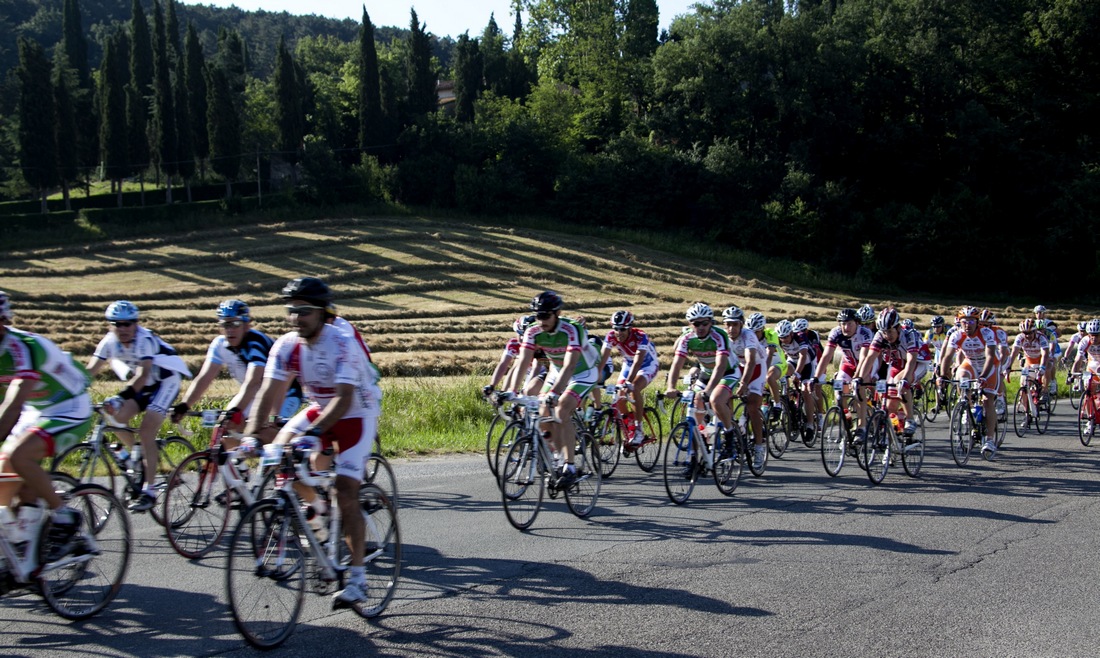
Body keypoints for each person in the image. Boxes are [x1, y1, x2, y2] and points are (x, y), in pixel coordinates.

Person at [242, 277, 381, 608]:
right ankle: (316, 516)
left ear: (321, 313)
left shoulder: (342, 343)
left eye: (303, 311)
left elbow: (344, 399)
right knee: (280, 461)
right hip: (320, 409)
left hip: (355, 414)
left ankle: (358, 579)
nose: (296, 318)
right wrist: (251, 433)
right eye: (291, 311)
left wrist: (313, 435)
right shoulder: (286, 345)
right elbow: (267, 391)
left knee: (345, 492)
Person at [0, 291, 90, 555]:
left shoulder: (22, 347)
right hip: (36, 410)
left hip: (69, 406)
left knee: (20, 456)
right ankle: (21, 544)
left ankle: (63, 515)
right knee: (6, 479)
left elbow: (13, 404)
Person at [86, 300, 191, 512]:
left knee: (146, 431)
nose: (123, 328)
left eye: (128, 323)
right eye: (117, 324)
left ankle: (149, 491)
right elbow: (90, 372)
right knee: (115, 418)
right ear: (110, 325)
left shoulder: (144, 339)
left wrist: (121, 396)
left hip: (165, 383)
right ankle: (137, 457)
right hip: (144, 387)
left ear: (136, 323)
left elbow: (142, 376)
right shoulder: (108, 342)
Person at [171, 300, 302, 444]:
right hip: (256, 392)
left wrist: (236, 410)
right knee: (225, 430)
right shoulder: (219, 344)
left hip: (284, 394)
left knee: (265, 433)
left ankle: (295, 448)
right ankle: (236, 465)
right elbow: (204, 377)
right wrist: (185, 405)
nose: (230, 330)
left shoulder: (255, 343)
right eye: (226, 324)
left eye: (235, 324)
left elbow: (253, 382)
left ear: (246, 325)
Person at [508, 291, 600, 489]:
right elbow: (523, 361)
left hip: (582, 372)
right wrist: (513, 391)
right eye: (537, 315)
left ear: (557, 313)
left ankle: (570, 467)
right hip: (556, 372)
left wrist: (554, 393)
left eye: (545, 315)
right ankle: (558, 457)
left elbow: (570, 365)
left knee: (561, 409)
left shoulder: (571, 329)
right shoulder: (533, 331)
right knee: (543, 413)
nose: (541, 320)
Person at [938, 306, 1000, 460]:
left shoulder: (986, 333)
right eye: (964, 321)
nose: (967, 324)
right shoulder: (956, 335)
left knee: (987, 401)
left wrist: (984, 376)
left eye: (971, 321)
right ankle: (966, 403)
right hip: (970, 363)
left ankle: (990, 439)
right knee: (961, 374)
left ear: (977, 322)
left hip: (988, 366)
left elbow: (991, 356)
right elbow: (947, 356)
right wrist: (942, 376)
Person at [598, 310, 660, 446]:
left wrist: (628, 383)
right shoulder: (610, 336)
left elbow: (638, 362)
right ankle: (630, 424)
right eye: (616, 328)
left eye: (622, 329)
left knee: (633, 388)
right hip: (628, 364)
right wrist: (596, 376)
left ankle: (639, 429)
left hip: (647, 364)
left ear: (630, 328)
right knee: (619, 399)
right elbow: (602, 358)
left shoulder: (640, 336)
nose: (619, 332)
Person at [813, 308, 875, 444]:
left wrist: (857, 378)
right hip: (848, 364)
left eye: (849, 324)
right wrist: (816, 377)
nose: (845, 327)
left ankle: (862, 427)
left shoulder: (865, 333)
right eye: (842, 324)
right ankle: (847, 420)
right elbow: (826, 355)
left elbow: (864, 357)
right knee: (839, 395)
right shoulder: (836, 333)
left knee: (859, 390)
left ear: (857, 323)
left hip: (865, 365)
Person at [859, 308, 921, 435]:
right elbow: (870, 357)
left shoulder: (909, 334)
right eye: (884, 332)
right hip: (897, 363)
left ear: (897, 327)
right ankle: (897, 432)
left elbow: (911, 360)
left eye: (890, 331)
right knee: (890, 405)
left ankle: (910, 419)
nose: (888, 335)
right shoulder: (880, 335)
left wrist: (905, 380)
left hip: (918, 362)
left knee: (901, 382)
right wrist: (859, 378)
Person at [722, 307, 769, 470]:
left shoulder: (748, 335)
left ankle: (758, 447)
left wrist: (743, 384)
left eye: (735, 325)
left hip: (756, 367)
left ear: (741, 325)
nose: (731, 329)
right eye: (728, 325)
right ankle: (734, 427)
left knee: (752, 406)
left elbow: (750, 361)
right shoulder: (723, 337)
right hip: (738, 366)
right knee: (724, 396)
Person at [484, 315, 548, 398]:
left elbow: (537, 368)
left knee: (528, 393)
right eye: (520, 335)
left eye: (525, 336)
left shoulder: (540, 345)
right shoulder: (514, 343)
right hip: (527, 369)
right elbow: (503, 364)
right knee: (516, 364)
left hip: (544, 371)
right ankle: (505, 393)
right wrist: (492, 385)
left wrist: (524, 391)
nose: (522, 339)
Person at [1004, 318, 1051, 428]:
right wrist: (1008, 367)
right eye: (1025, 333)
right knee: (1023, 386)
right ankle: (1027, 414)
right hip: (1029, 362)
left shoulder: (1041, 338)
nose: (1027, 335)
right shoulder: (1020, 338)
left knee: (1048, 367)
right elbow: (1014, 353)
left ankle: (1044, 391)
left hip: (1041, 361)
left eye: (1029, 333)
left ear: (1035, 331)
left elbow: (1045, 354)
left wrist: (1042, 367)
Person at [748, 312, 785, 421]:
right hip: (762, 365)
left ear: (762, 329)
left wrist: (762, 374)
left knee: (769, 377)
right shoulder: (749, 337)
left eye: (757, 332)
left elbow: (769, 356)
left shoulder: (771, 334)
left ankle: (777, 405)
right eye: (751, 332)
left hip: (777, 363)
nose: (754, 335)